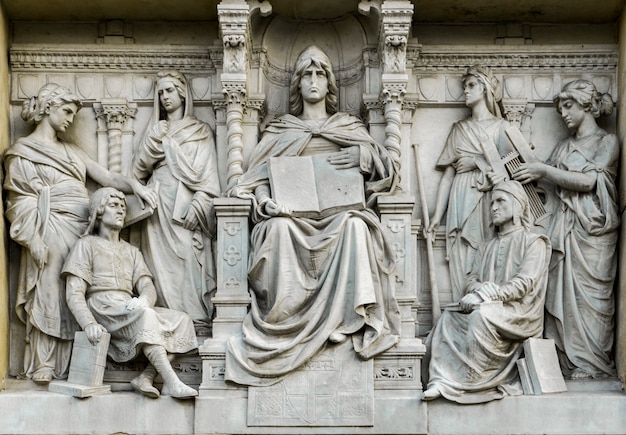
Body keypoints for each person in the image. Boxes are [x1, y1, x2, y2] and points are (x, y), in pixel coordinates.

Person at [224, 45, 402, 386]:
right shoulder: (281, 131)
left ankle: (347, 321)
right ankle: (284, 322)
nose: (314, 80)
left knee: (356, 227)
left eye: (320, 73)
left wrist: (362, 156)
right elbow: (254, 182)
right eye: (307, 74)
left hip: (339, 216)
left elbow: (389, 173)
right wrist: (266, 203)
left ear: (331, 83)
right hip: (291, 218)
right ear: (297, 85)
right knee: (275, 229)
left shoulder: (348, 127)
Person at [3, 83, 157, 384]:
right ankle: (44, 362)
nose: (71, 119)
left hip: (80, 227)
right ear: (48, 108)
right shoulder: (22, 152)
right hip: (48, 226)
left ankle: (78, 361)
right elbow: (19, 199)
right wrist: (32, 238)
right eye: (67, 111)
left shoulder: (71, 151)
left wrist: (136, 186)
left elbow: (108, 177)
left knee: (77, 294)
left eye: (73, 113)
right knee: (49, 291)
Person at [513, 79, 619, 380]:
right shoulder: (563, 146)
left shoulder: (607, 142)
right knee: (560, 297)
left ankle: (593, 364)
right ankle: (566, 362)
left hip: (592, 233)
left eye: (569, 106)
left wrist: (544, 170)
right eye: (560, 109)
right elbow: (548, 182)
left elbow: (588, 182)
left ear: (587, 105)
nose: (564, 115)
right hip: (564, 229)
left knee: (591, 303)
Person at [62, 188, 199, 399]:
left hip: (128, 307)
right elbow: (74, 292)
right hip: (103, 307)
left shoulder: (131, 251)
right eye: (113, 205)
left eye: (123, 207)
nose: (120, 211)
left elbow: (146, 285)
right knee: (148, 316)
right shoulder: (86, 245)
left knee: (182, 321)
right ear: (99, 211)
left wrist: (145, 299)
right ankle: (172, 382)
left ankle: (146, 376)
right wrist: (88, 323)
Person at [422, 180, 550, 404]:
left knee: (481, 316)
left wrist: (487, 295)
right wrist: (478, 290)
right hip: (489, 306)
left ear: (518, 206)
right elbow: (470, 280)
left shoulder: (534, 242)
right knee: (449, 317)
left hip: (519, 314)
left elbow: (525, 283)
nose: (494, 207)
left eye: (501, 201)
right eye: (492, 202)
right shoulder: (486, 246)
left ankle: (470, 384)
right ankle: (441, 380)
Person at [132, 70, 221, 335]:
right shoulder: (156, 131)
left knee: (190, 260)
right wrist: (154, 140)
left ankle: (195, 321)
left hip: (187, 208)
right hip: (158, 207)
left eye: (169, 90)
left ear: (182, 92)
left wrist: (200, 202)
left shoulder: (200, 131)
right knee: (161, 268)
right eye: (160, 93)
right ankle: (165, 326)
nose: (165, 97)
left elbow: (209, 176)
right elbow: (137, 172)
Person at [428, 65, 514, 301]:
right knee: (462, 251)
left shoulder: (502, 128)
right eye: (464, 86)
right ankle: (462, 305)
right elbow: (447, 175)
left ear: (485, 88)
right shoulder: (459, 129)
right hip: (461, 195)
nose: (465, 91)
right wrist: (437, 216)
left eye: (471, 85)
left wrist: (477, 162)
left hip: (488, 197)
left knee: (487, 249)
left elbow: (511, 170)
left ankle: (487, 304)